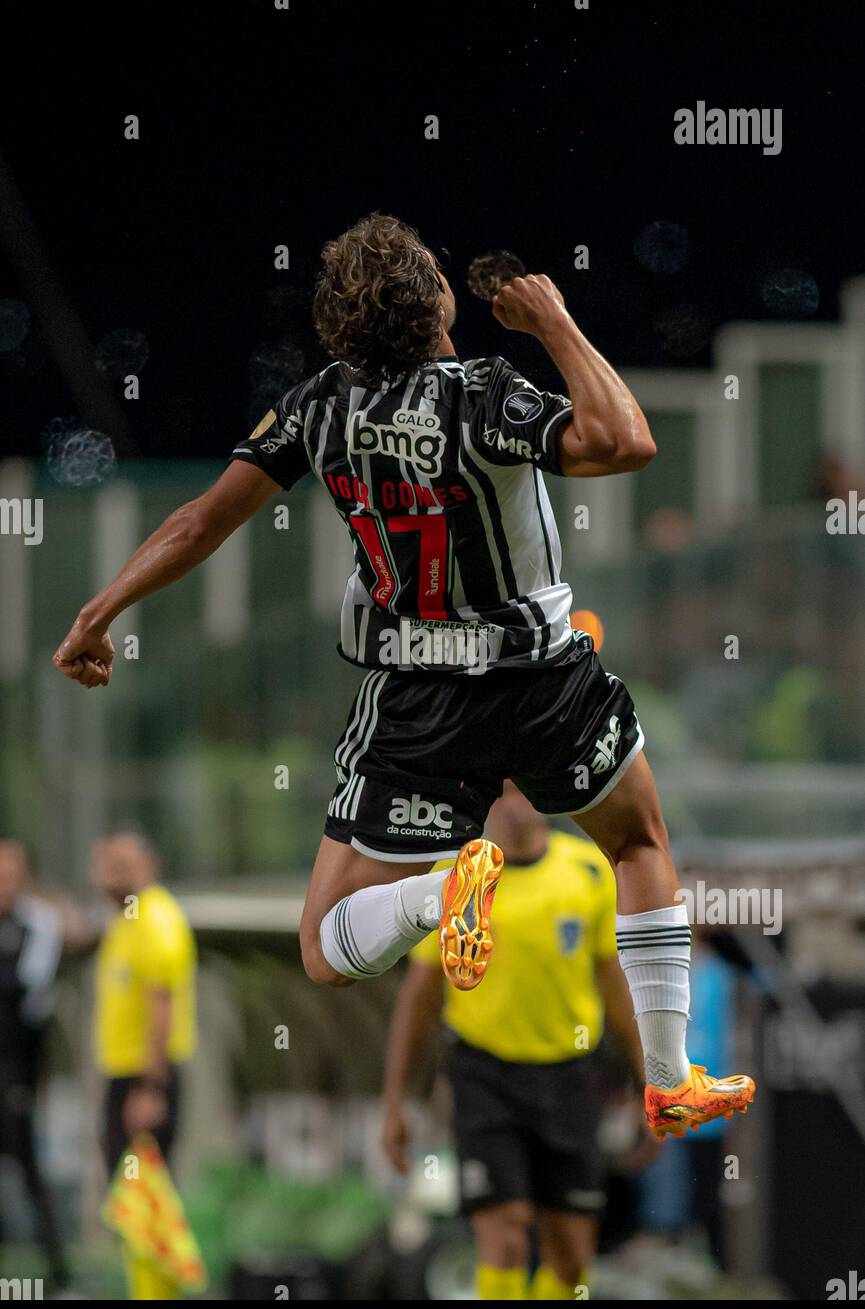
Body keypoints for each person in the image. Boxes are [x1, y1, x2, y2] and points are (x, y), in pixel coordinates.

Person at [53, 212, 754, 1137]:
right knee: (636, 846)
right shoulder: (486, 393)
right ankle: (667, 1077)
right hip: (541, 677)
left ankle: (438, 892)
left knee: (322, 945)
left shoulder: (317, 406)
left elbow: (199, 523)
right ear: (430, 300)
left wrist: (97, 612)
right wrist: (552, 321)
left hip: (417, 699)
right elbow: (624, 442)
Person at [381, 782, 644, 1300]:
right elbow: (420, 997)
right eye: (496, 793)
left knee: (570, 1257)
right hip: (485, 1076)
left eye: (522, 790)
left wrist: (649, 1081)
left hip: (570, 1077)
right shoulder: (458, 877)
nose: (510, 804)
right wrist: (394, 1100)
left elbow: (615, 986)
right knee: (504, 1233)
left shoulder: (587, 872)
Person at [90, 832, 197, 1299]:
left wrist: (150, 1088)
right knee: (133, 1195)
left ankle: (158, 1293)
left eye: (122, 864)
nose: (111, 875)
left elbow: (161, 1009)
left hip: (145, 1080)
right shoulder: (125, 921)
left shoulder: (155, 920)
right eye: (105, 865)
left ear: (149, 864)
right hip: (127, 1078)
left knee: (143, 1196)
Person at [0, 840, 68, 1290]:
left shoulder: (38, 925)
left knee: (26, 1164)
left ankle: (58, 1270)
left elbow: (28, 992)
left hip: (16, 1071)